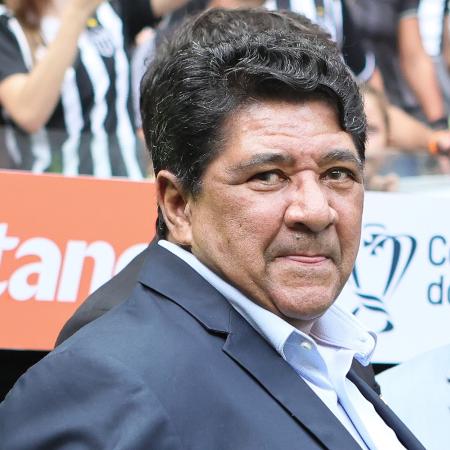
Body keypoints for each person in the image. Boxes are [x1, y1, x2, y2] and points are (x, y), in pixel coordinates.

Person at [0, 8, 424, 449]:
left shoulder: (334, 350)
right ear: (178, 205)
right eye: (268, 176)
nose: (315, 211)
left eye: (337, 173)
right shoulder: (104, 385)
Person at [0, 0, 186, 176]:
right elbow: (28, 113)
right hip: (50, 187)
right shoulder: (8, 26)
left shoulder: (109, 10)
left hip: (125, 180)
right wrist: (76, 13)